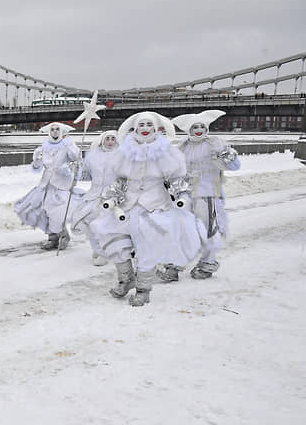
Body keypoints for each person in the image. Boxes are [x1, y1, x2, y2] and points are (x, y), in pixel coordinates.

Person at [89, 111, 205, 306]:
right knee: (114, 239)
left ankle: (143, 290)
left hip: (155, 206)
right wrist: (112, 196)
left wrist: (183, 196)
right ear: (135, 128)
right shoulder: (124, 151)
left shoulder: (167, 151)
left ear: (156, 128)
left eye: (148, 125)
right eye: (141, 125)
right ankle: (126, 280)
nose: (145, 129)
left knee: (147, 248)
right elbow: (119, 181)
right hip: (128, 205)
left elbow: (176, 179)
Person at [156, 110, 241, 281]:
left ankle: (207, 264)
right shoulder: (182, 146)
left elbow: (234, 166)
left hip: (208, 195)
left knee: (209, 231)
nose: (199, 129)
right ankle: (173, 267)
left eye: (202, 126)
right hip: (185, 196)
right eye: (195, 127)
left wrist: (227, 157)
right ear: (189, 129)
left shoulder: (214, 143)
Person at [14, 122, 84, 250]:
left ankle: (63, 235)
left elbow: (76, 159)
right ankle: (52, 238)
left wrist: (70, 148)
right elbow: (37, 168)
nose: (55, 132)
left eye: (58, 129)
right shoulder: (44, 147)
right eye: (53, 129)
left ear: (62, 131)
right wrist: (36, 161)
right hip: (46, 184)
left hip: (62, 185)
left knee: (58, 212)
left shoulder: (67, 144)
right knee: (44, 211)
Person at [70, 130, 120, 265]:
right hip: (93, 195)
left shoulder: (122, 157)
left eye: (113, 139)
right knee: (84, 221)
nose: (110, 141)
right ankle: (98, 248)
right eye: (107, 138)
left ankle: (105, 252)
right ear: (102, 140)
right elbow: (86, 176)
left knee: (105, 226)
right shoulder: (93, 157)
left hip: (111, 196)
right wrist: (76, 170)